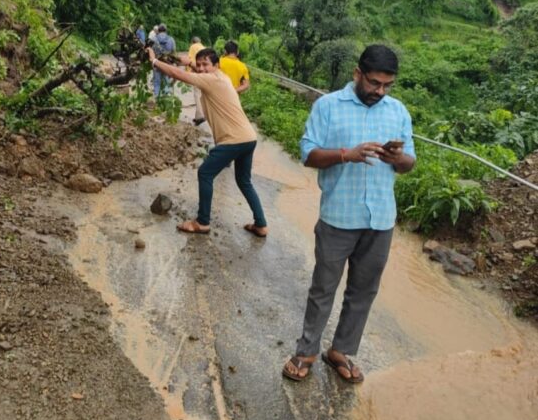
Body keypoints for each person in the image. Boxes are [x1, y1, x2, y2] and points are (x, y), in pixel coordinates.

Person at [282, 44, 415, 384]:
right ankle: (307, 351)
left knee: (363, 291)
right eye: (373, 83)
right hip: (338, 217)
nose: (380, 91)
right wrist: (346, 154)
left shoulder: (397, 111)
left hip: (381, 219)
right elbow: (308, 154)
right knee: (323, 288)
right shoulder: (328, 106)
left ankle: (340, 351)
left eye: (387, 85)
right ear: (357, 74)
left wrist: (396, 159)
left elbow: (409, 163)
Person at [147, 46, 268, 237]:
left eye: (206, 64)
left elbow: (176, 74)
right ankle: (261, 224)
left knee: (205, 173)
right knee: (244, 181)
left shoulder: (210, 80)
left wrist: (154, 61)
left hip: (232, 140)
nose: (202, 68)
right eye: (200, 64)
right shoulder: (223, 78)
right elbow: (199, 70)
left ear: (216, 65)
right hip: (248, 137)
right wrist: (191, 63)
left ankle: (202, 222)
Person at [152, 23, 176, 97]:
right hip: (167, 63)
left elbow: (150, 51)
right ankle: (166, 99)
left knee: (157, 83)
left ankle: (157, 99)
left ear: (158, 30)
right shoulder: (171, 39)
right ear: (166, 30)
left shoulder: (154, 39)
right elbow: (174, 51)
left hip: (157, 63)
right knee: (166, 82)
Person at [187, 35, 205, 125]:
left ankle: (200, 116)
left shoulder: (192, 47)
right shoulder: (203, 47)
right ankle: (198, 114)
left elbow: (189, 60)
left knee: (197, 94)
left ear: (192, 42)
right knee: (202, 93)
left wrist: (188, 72)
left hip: (196, 71)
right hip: (205, 73)